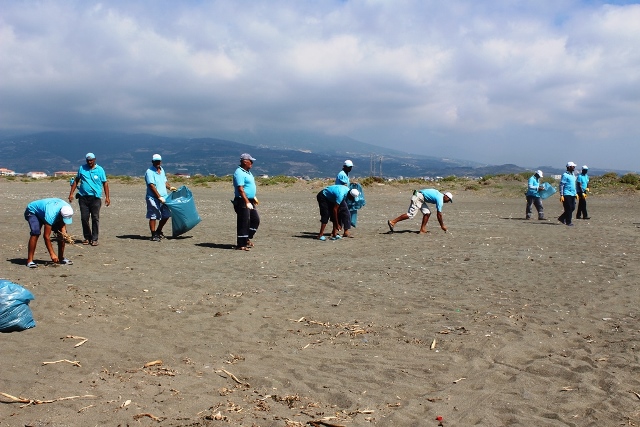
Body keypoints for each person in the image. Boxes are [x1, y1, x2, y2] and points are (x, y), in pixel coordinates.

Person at [68, 152, 110, 246]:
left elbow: (105, 183)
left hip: (95, 198)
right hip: (83, 197)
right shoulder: (82, 168)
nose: (89, 162)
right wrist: (71, 194)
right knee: (84, 218)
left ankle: (94, 239)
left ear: (94, 160)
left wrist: (107, 197)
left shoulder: (100, 170)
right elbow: (76, 180)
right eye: (88, 160)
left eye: (91, 160)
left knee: (95, 218)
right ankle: (87, 237)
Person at [24, 198, 74, 268]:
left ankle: (61, 258)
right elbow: (46, 236)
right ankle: (30, 261)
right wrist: (52, 254)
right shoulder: (51, 214)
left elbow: (63, 223)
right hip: (33, 211)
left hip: (46, 211)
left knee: (62, 234)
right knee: (35, 232)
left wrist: (64, 232)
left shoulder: (67, 208)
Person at [387, 189, 453, 234]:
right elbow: (439, 214)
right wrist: (442, 225)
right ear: (446, 196)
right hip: (418, 197)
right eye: (448, 200)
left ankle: (422, 229)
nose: (447, 202)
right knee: (411, 214)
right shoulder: (440, 199)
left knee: (427, 213)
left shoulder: (439, 194)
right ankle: (393, 222)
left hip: (421, 197)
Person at [145, 154, 176, 241]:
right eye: (156, 161)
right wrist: (159, 197)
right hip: (153, 197)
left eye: (159, 161)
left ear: (161, 161)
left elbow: (164, 181)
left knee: (166, 215)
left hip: (164, 196)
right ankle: (153, 234)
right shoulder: (149, 172)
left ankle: (159, 230)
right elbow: (151, 186)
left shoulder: (162, 170)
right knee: (153, 215)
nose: (157, 163)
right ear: (153, 162)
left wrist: (169, 187)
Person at [233, 153, 260, 251]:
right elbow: (240, 189)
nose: (252, 163)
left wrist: (253, 197)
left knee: (255, 220)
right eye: (250, 161)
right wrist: (247, 201)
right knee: (243, 222)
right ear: (245, 162)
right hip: (242, 201)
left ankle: (247, 238)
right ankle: (241, 244)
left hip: (250, 199)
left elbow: (249, 187)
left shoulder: (248, 172)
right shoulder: (239, 173)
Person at [335, 160, 354, 237]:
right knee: (346, 213)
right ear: (345, 167)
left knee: (340, 213)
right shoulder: (342, 174)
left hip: (342, 195)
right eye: (349, 167)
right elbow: (344, 185)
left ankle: (336, 230)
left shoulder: (345, 174)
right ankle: (346, 231)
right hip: (340, 195)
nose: (350, 169)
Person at [558, 161, 577, 226]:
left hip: (572, 194)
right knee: (568, 208)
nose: (574, 167)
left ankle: (562, 218)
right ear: (569, 167)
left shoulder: (573, 175)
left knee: (573, 208)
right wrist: (561, 195)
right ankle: (568, 221)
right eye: (573, 166)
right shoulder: (565, 175)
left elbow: (573, 185)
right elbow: (561, 185)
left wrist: (575, 193)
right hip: (566, 193)